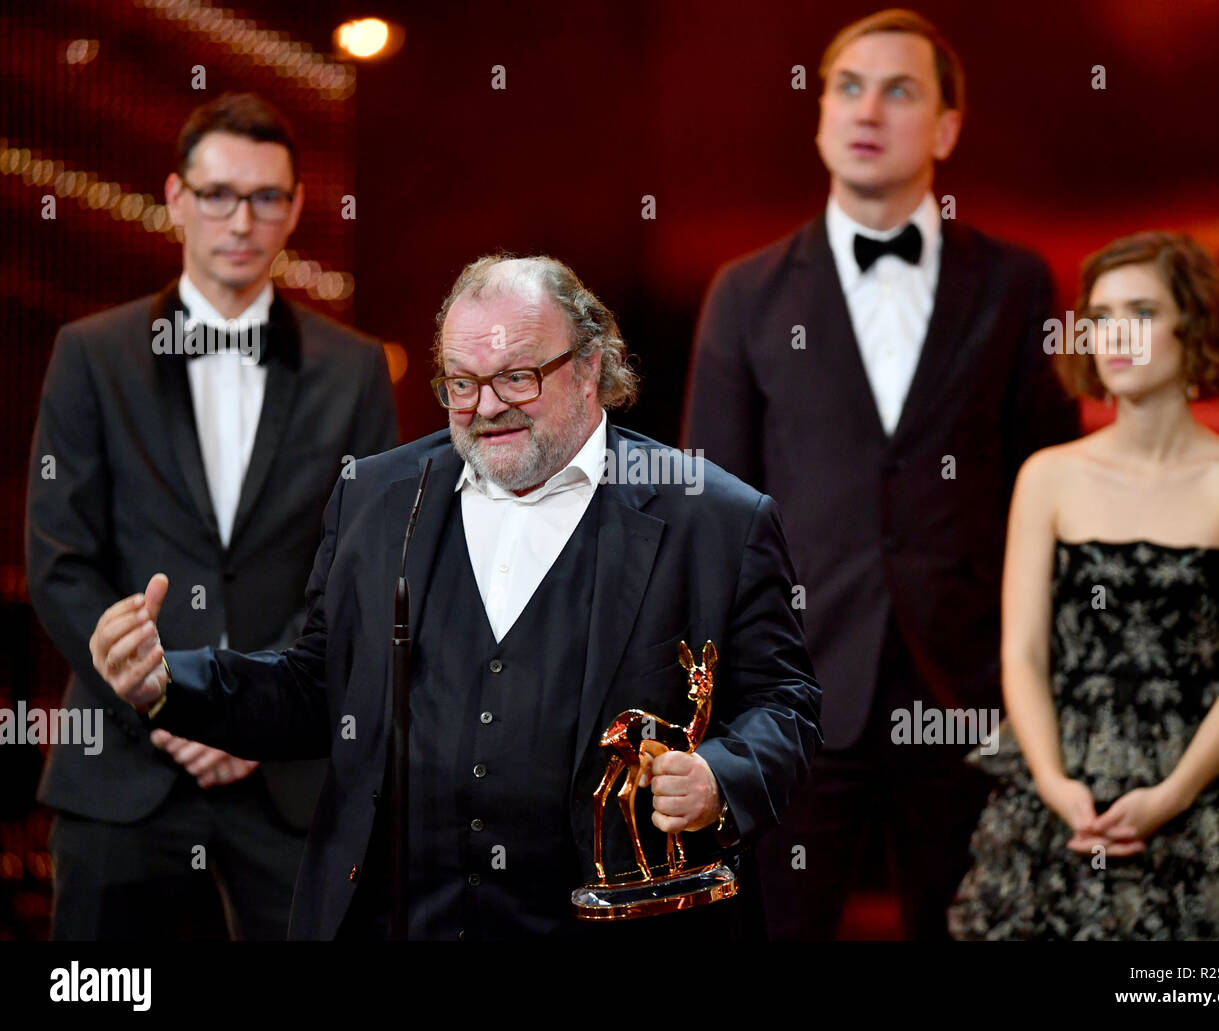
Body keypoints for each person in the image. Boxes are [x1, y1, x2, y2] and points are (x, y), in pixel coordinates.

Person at [88, 254, 822, 941]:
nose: (485, 408)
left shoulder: (716, 516)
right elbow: (317, 687)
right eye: (461, 383)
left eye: (517, 378)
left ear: (592, 367)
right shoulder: (376, 495)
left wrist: (721, 779)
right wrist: (166, 684)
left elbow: (786, 702)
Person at [682, 9, 1079, 939]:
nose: (868, 109)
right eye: (848, 87)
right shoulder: (745, 291)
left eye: (900, 90)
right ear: (819, 114)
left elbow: (1044, 485)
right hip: (791, 693)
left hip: (969, 684)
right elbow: (713, 505)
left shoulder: (1016, 284)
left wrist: (1037, 679)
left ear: (945, 128)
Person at [25, 92, 398, 940]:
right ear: (176, 198)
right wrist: (164, 700)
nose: (243, 219)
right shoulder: (91, 354)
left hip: (288, 781)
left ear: (297, 207)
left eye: (267, 197)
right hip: (123, 775)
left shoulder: (356, 369)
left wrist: (256, 713)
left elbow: (366, 570)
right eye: (220, 194)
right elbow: (60, 560)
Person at [948, 230, 1219, 939]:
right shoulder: (1048, 475)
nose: (1115, 335)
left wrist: (1171, 796)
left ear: (1193, 324)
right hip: (1065, 785)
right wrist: (1053, 784)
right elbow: (1022, 653)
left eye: (1140, 312)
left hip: (1206, 787)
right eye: (1100, 317)